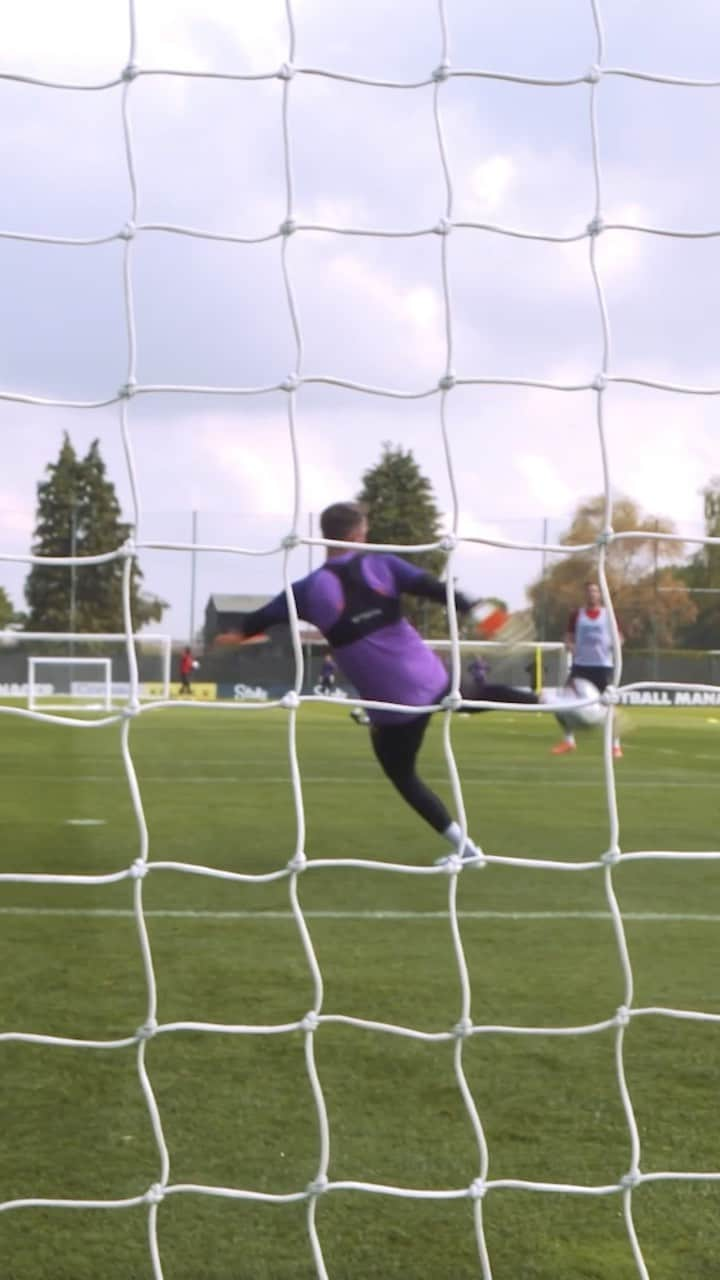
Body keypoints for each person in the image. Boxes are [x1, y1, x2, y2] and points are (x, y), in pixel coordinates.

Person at [228, 501, 539, 866]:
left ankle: (466, 849)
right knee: (476, 695)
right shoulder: (383, 564)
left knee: (404, 776)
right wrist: (492, 617)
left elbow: (252, 623)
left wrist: (231, 638)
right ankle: (556, 700)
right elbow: (443, 592)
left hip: (394, 708)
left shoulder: (308, 589)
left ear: (326, 535)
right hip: (431, 677)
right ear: (358, 534)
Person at [551, 581, 623, 758]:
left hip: (602, 667)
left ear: (601, 594)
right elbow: (568, 637)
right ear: (586, 594)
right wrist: (569, 645)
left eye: (595, 591)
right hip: (580, 666)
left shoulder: (608, 615)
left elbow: (619, 637)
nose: (592, 594)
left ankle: (615, 746)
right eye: (589, 591)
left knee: (610, 705)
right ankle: (568, 740)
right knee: (560, 703)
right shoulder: (577, 615)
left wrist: (616, 644)